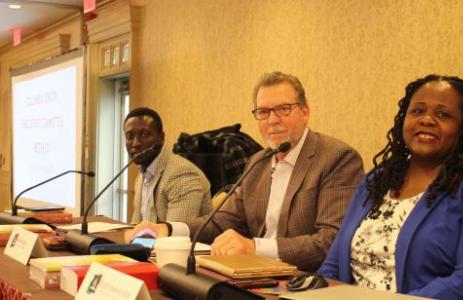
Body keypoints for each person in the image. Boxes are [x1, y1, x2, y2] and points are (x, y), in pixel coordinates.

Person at [126, 72, 364, 271]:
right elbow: (222, 221)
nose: (272, 120)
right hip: (251, 273)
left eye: (283, 109)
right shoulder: (258, 162)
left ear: (305, 112)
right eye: (263, 112)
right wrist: (167, 229)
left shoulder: (336, 158)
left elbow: (331, 241)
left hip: (303, 281)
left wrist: (254, 248)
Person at [318, 75, 463, 300]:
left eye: (443, 114)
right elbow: (333, 267)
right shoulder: (378, 180)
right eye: (417, 111)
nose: (426, 119)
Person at [124, 107, 212, 224]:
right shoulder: (141, 175)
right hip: (149, 242)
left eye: (144, 134)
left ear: (161, 138)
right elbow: (135, 229)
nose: (135, 143)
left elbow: (175, 238)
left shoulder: (182, 174)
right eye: (129, 137)